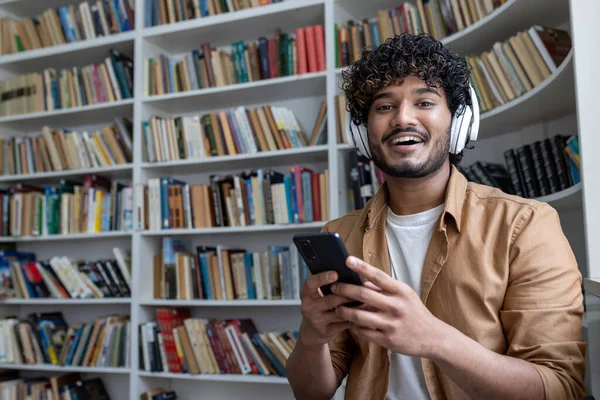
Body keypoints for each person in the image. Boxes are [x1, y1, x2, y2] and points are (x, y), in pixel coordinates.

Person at [286, 33, 586, 400]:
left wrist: (434, 338)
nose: (402, 118)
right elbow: (309, 392)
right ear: (363, 134)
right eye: (384, 107)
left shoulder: (525, 226)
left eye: (424, 101)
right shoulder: (339, 234)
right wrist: (312, 338)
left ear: (459, 122)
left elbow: (559, 388)